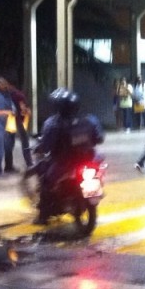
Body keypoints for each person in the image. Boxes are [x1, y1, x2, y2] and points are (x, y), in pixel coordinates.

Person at [33, 88, 104, 224]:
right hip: (89, 159)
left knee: (45, 181)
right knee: (99, 169)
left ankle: (43, 215)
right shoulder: (89, 119)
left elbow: (46, 146)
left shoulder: (53, 123)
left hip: (64, 163)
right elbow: (100, 138)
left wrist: (40, 148)